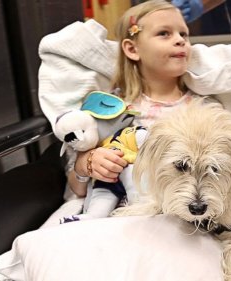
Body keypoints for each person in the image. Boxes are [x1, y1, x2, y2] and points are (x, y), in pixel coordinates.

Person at [69, 0, 199, 218]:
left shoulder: (202, 109)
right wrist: (87, 164)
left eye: (184, 34)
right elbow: (77, 188)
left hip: (187, 213)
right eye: (164, 33)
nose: (180, 41)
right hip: (123, 217)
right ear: (132, 49)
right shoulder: (110, 109)